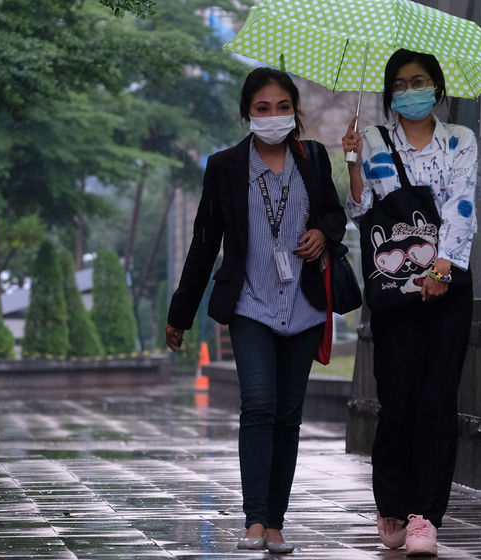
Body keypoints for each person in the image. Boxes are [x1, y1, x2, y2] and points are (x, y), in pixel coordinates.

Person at [166, 67, 346, 553]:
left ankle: (276, 524)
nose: (272, 116)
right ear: (247, 113)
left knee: (288, 416)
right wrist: (180, 313)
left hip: (305, 305)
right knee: (259, 406)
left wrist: (323, 233)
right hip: (250, 304)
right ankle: (253, 519)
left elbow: (335, 214)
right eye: (262, 108)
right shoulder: (225, 167)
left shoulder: (312, 159)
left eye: (282, 107)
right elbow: (204, 243)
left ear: (295, 111)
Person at [341, 49, 477, 557]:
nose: (409, 90)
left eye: (419, 81)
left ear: (437, 88)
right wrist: (353, 163)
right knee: (397, 400)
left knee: (438, 401)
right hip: (394, 293)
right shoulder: (374, 139)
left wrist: (442, 269)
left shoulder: (461, 140)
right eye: (399, 83)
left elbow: (462, 207)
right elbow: (362, 212)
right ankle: (392, 505)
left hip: (448, 289)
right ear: (388, 92)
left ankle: (425, 516)